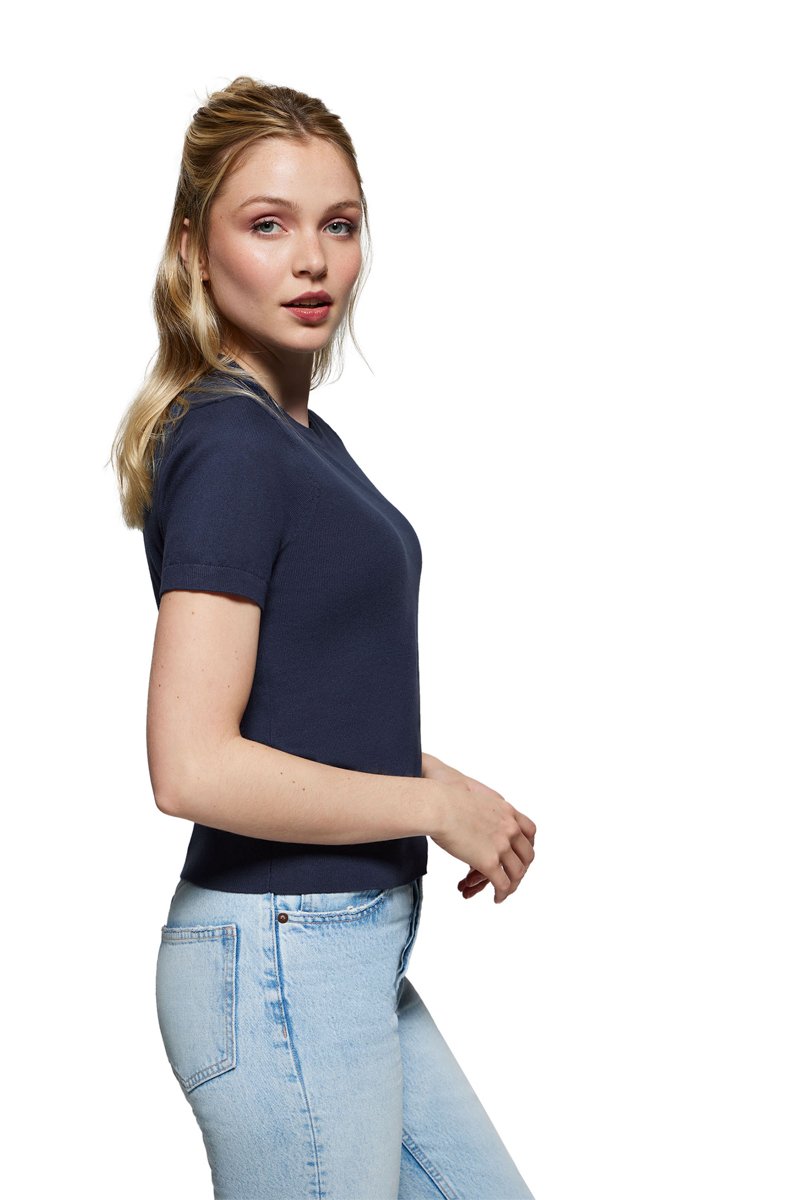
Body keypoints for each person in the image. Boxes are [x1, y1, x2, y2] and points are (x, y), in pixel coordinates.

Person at [111, 76, 537, 1200]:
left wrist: (448, 785)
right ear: (195, 249)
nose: (312, 261)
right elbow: (191, 764)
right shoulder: (233, 446)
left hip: (336, 951)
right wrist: (428, 807)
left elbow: (299, 708)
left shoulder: (295, 437)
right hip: (281, 953)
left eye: (338, 226)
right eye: (269, 225)